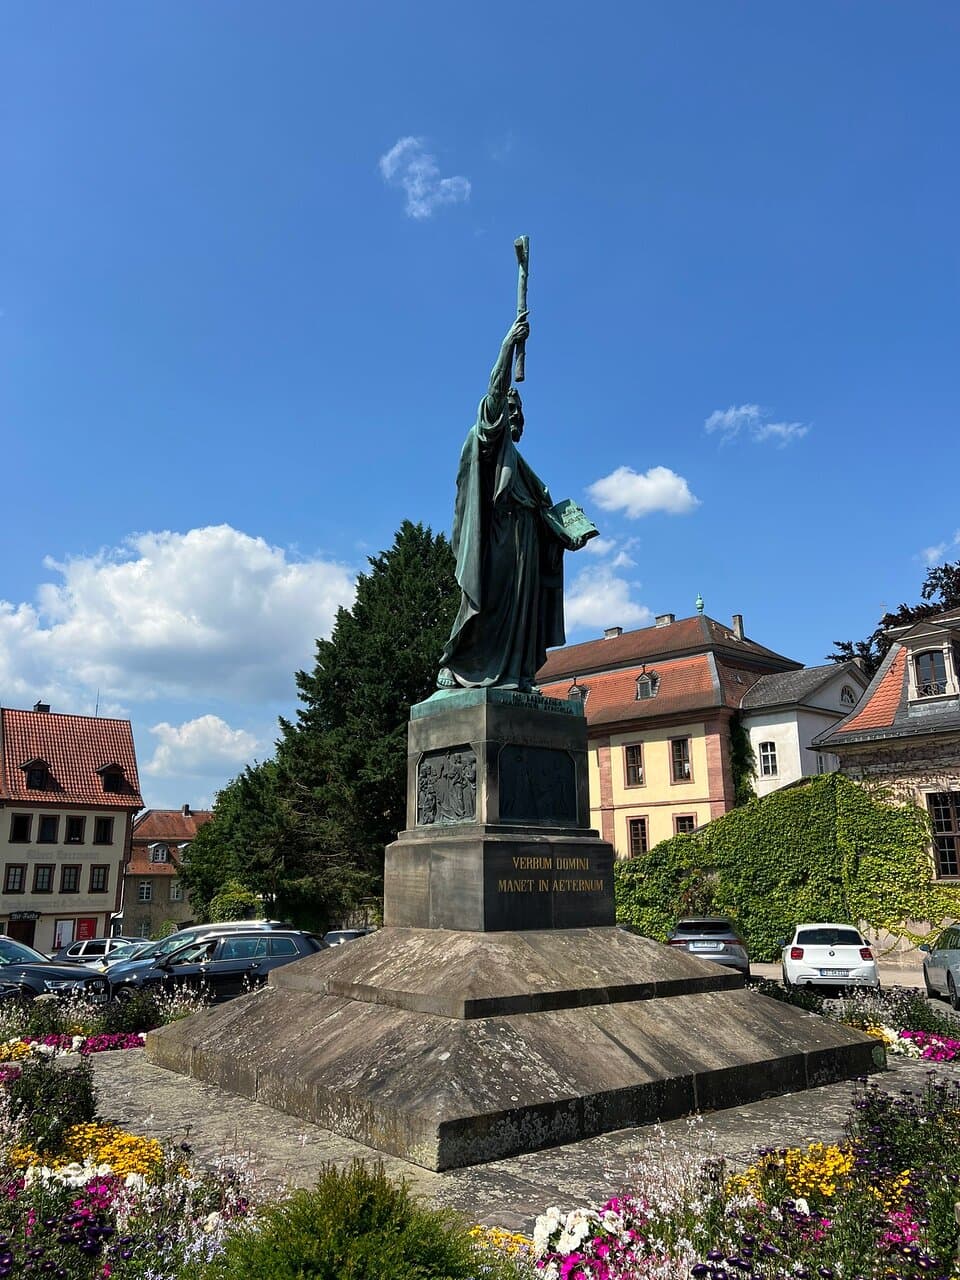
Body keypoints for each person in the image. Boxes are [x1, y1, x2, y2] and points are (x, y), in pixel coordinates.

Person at [437, 311, 589, 692]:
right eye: (512, 410)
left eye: (520, 412)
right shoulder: (488, 441)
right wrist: (507, 348)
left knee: (522, 617)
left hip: (527, 548)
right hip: (499, 541)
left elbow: (544, 516)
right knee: (489, 610)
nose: (518, 417)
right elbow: (492, 398)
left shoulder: (525, 469)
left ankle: (517, 674)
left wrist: (564, 535)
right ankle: (458, 668)